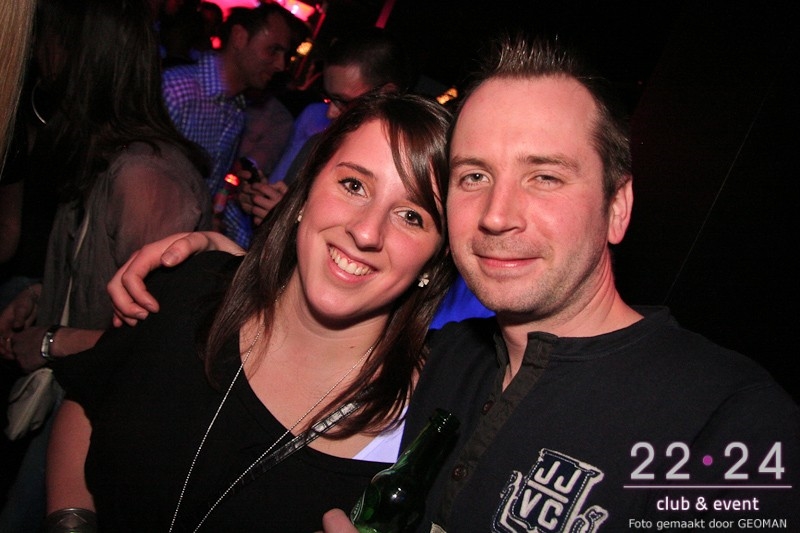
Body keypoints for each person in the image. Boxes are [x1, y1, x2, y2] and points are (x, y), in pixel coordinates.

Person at [108, 35, 800, 532]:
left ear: (617, 207)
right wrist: (221, 259)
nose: (497, 214)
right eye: (474, 176)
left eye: (544, 176)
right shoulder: (441, 365)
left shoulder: (728, 416)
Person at [45, 92, 456, 532]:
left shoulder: (414, 440)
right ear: (306, 191)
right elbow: (90, 400)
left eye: (411, 216)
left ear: (433, 262)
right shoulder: (192, 286)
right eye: (353, 185)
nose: (366, 232)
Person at [0, 0, 212, 529]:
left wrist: (51, 340)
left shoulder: (146, 177)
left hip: (97, 415)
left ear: (81, 58)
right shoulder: (104, 154)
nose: (37, 57)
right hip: (75, 395)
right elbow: (103, 278)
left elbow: (158, 346)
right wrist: (42, 296)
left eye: (47, 42)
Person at [241, 27, 413, 227]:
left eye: (343, 101)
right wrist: (261, 204)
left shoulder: (407, 171)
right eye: (328, 98)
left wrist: (291, 219)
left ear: (386, 95)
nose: (330, 112)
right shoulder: (316, 147)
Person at [160, 3, 300, 248]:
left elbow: (214, 193)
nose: (280, 65)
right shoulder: (176, 92)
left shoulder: (235, 108)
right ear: (239, 37)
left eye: (284, 54)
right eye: (273, 50)